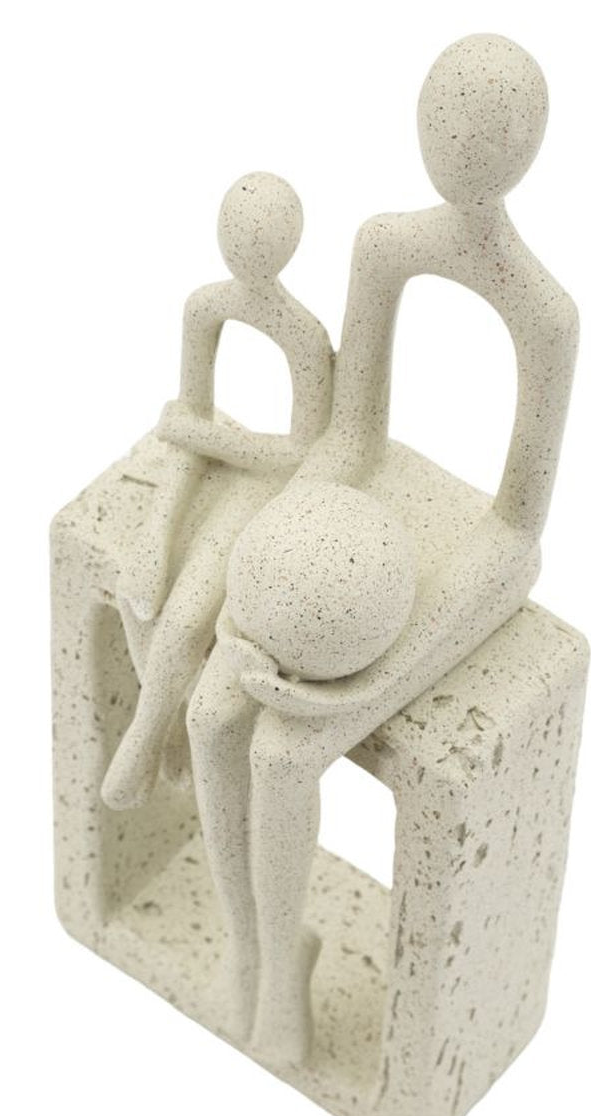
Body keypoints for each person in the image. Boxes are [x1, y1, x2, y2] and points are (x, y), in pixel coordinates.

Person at [186, 34, 581, 1065]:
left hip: (455, 556)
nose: (463, 151)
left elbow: (515, 535)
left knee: (284, 751)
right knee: (212, 710)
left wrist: (374, 681)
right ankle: (256, 946)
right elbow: (348, 440)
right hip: (349, 514)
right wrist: (259, 569)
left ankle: (282, 979)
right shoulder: (385, 247)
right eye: (450, 121)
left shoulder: (545, 314)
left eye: (490, 132)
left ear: (527, 147)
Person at [102, 172, 332, 812]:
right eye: (238, 231)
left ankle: (147, 731)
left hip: (270, 492)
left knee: (185, 616)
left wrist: (214, 440)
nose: (248, 248)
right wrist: (157, 534)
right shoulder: (205, 309)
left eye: (264, 236)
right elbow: (188, 423)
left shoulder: (305, 337)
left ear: (290, 243)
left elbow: (300, 456)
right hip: (219, 462)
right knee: (139, 597)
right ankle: (166, 724)